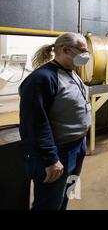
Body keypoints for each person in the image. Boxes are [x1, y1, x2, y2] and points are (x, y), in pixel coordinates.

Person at [19, 32, 91, 210]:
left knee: (65, 193)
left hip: (77, 145)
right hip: (59, 151)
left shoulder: (71, 72)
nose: (86, 55)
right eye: (82, 51)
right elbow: (34, 124)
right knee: (49, 202)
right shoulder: (42, 78)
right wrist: (50, 159)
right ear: (65, 50)